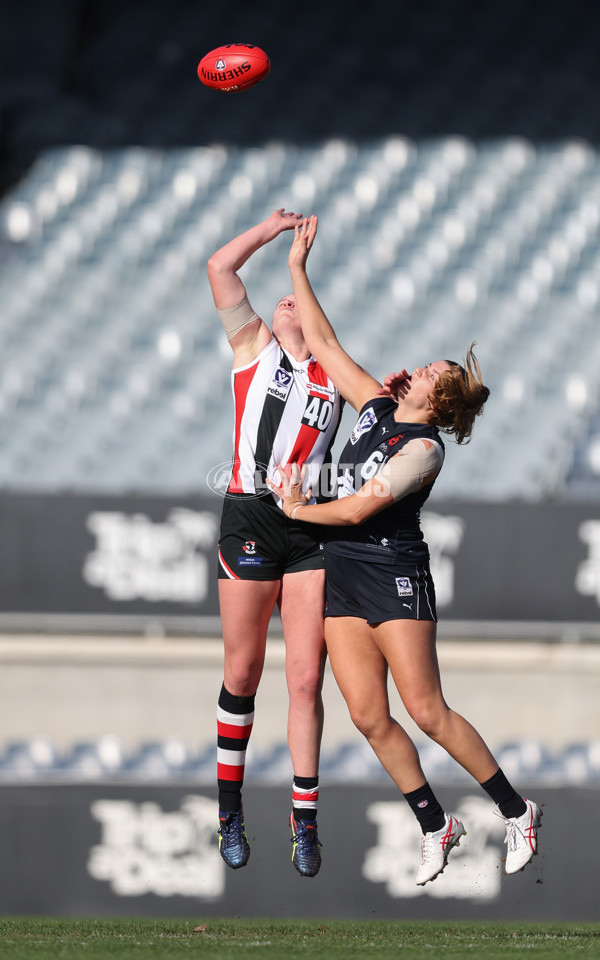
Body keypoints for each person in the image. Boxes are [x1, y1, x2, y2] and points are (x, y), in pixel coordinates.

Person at [268, 215, 542, 885]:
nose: (416, 369)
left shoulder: (422, 449)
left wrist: (297, 508)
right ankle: (435, 824)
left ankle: (517, 810)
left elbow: (361, 506)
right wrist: (298, 269)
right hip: (345, 574)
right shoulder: (375, 409)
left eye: (429, 372)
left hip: (393, 576)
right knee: (366, 715)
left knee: (427, 711)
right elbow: (327, 345)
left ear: (437, 397)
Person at [207, 209, 344, 877]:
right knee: (243, 673)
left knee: (306, 678)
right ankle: (229, 811)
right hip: (251, 519)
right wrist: (269, 230)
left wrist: (302, 270)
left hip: (309, 527)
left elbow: (383, 395)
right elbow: (219, 268)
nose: (287, 304)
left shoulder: (331, 374)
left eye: (300, 304)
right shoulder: (253, 347)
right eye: (283, 299)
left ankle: (305, 819)